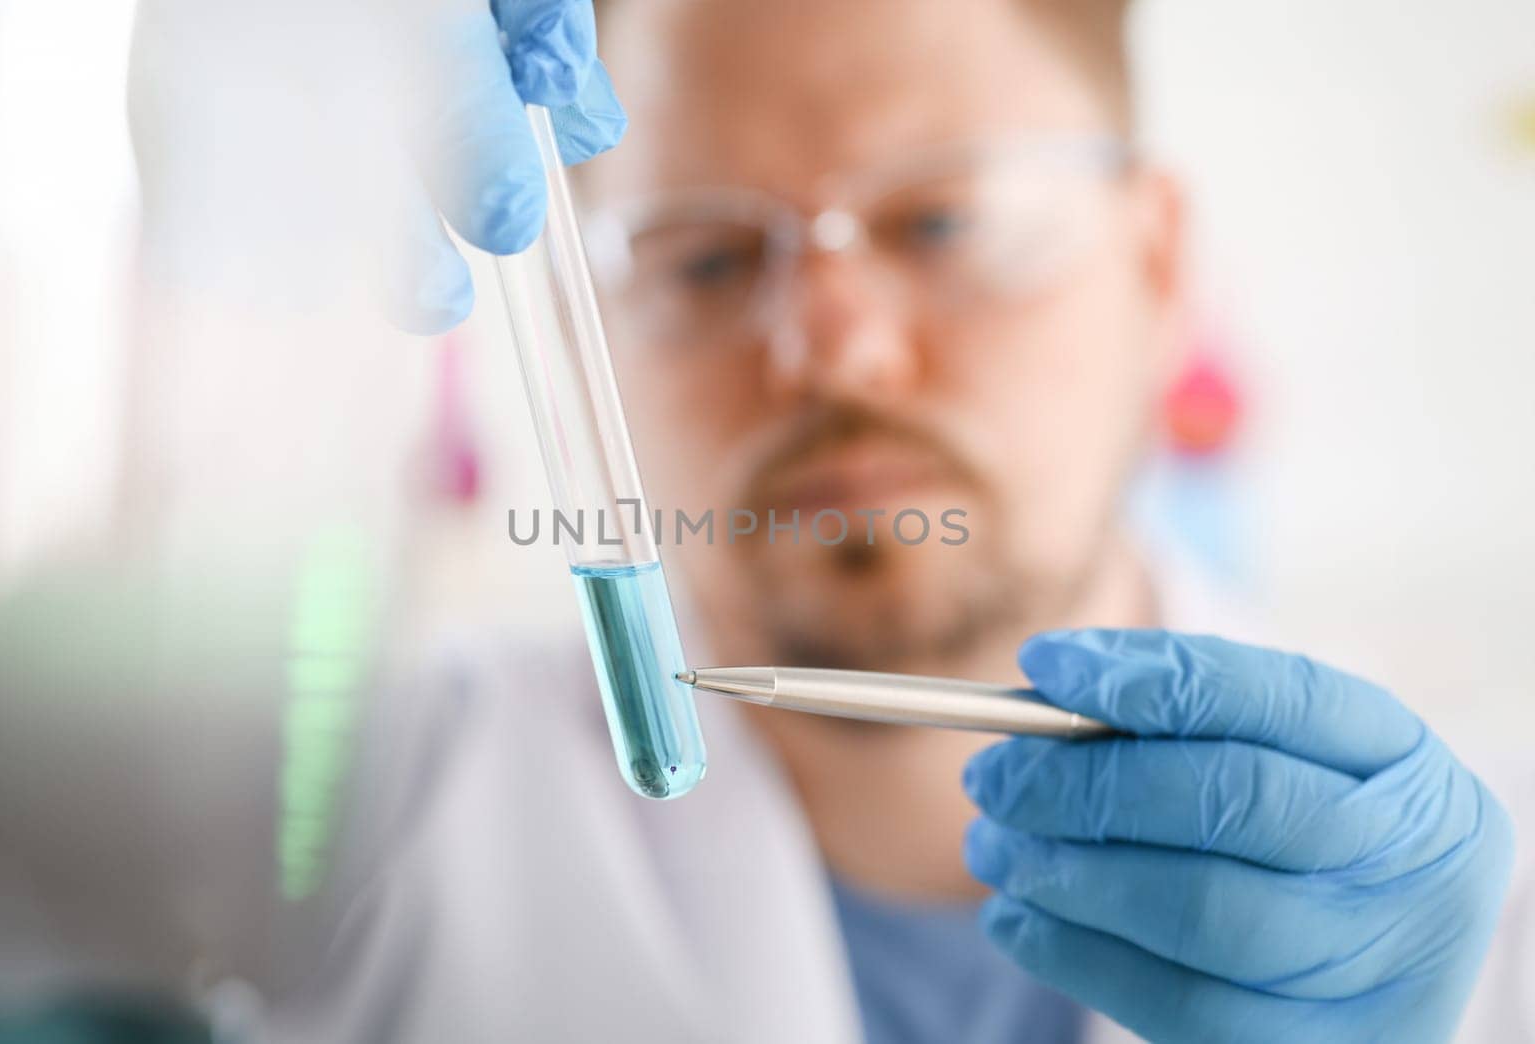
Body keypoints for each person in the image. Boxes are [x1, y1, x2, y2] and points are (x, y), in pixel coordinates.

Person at [263, 1, 1525, 1042]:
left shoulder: (1464, 924)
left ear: (1156, 263)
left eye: (941, 221)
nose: (836, 348)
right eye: (703, 256)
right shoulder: (366, 820)